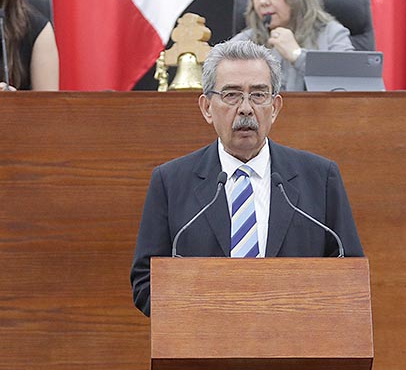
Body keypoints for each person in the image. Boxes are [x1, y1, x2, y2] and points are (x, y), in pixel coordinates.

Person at [130, 39, 364, 316]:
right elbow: (145, 283)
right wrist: (213, 312)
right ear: (206, 107)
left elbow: (349, 274)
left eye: (258, 95)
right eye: (231, 95)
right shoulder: (171, 182)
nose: (245, 108)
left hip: (295, 350)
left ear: (275, 107)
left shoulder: (319, 178)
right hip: (205, 349)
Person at [230, 0, 353, 92]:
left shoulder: (331, 34)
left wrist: (298, 55)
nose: (263, 1)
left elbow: (349, 87)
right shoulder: (247, 40)